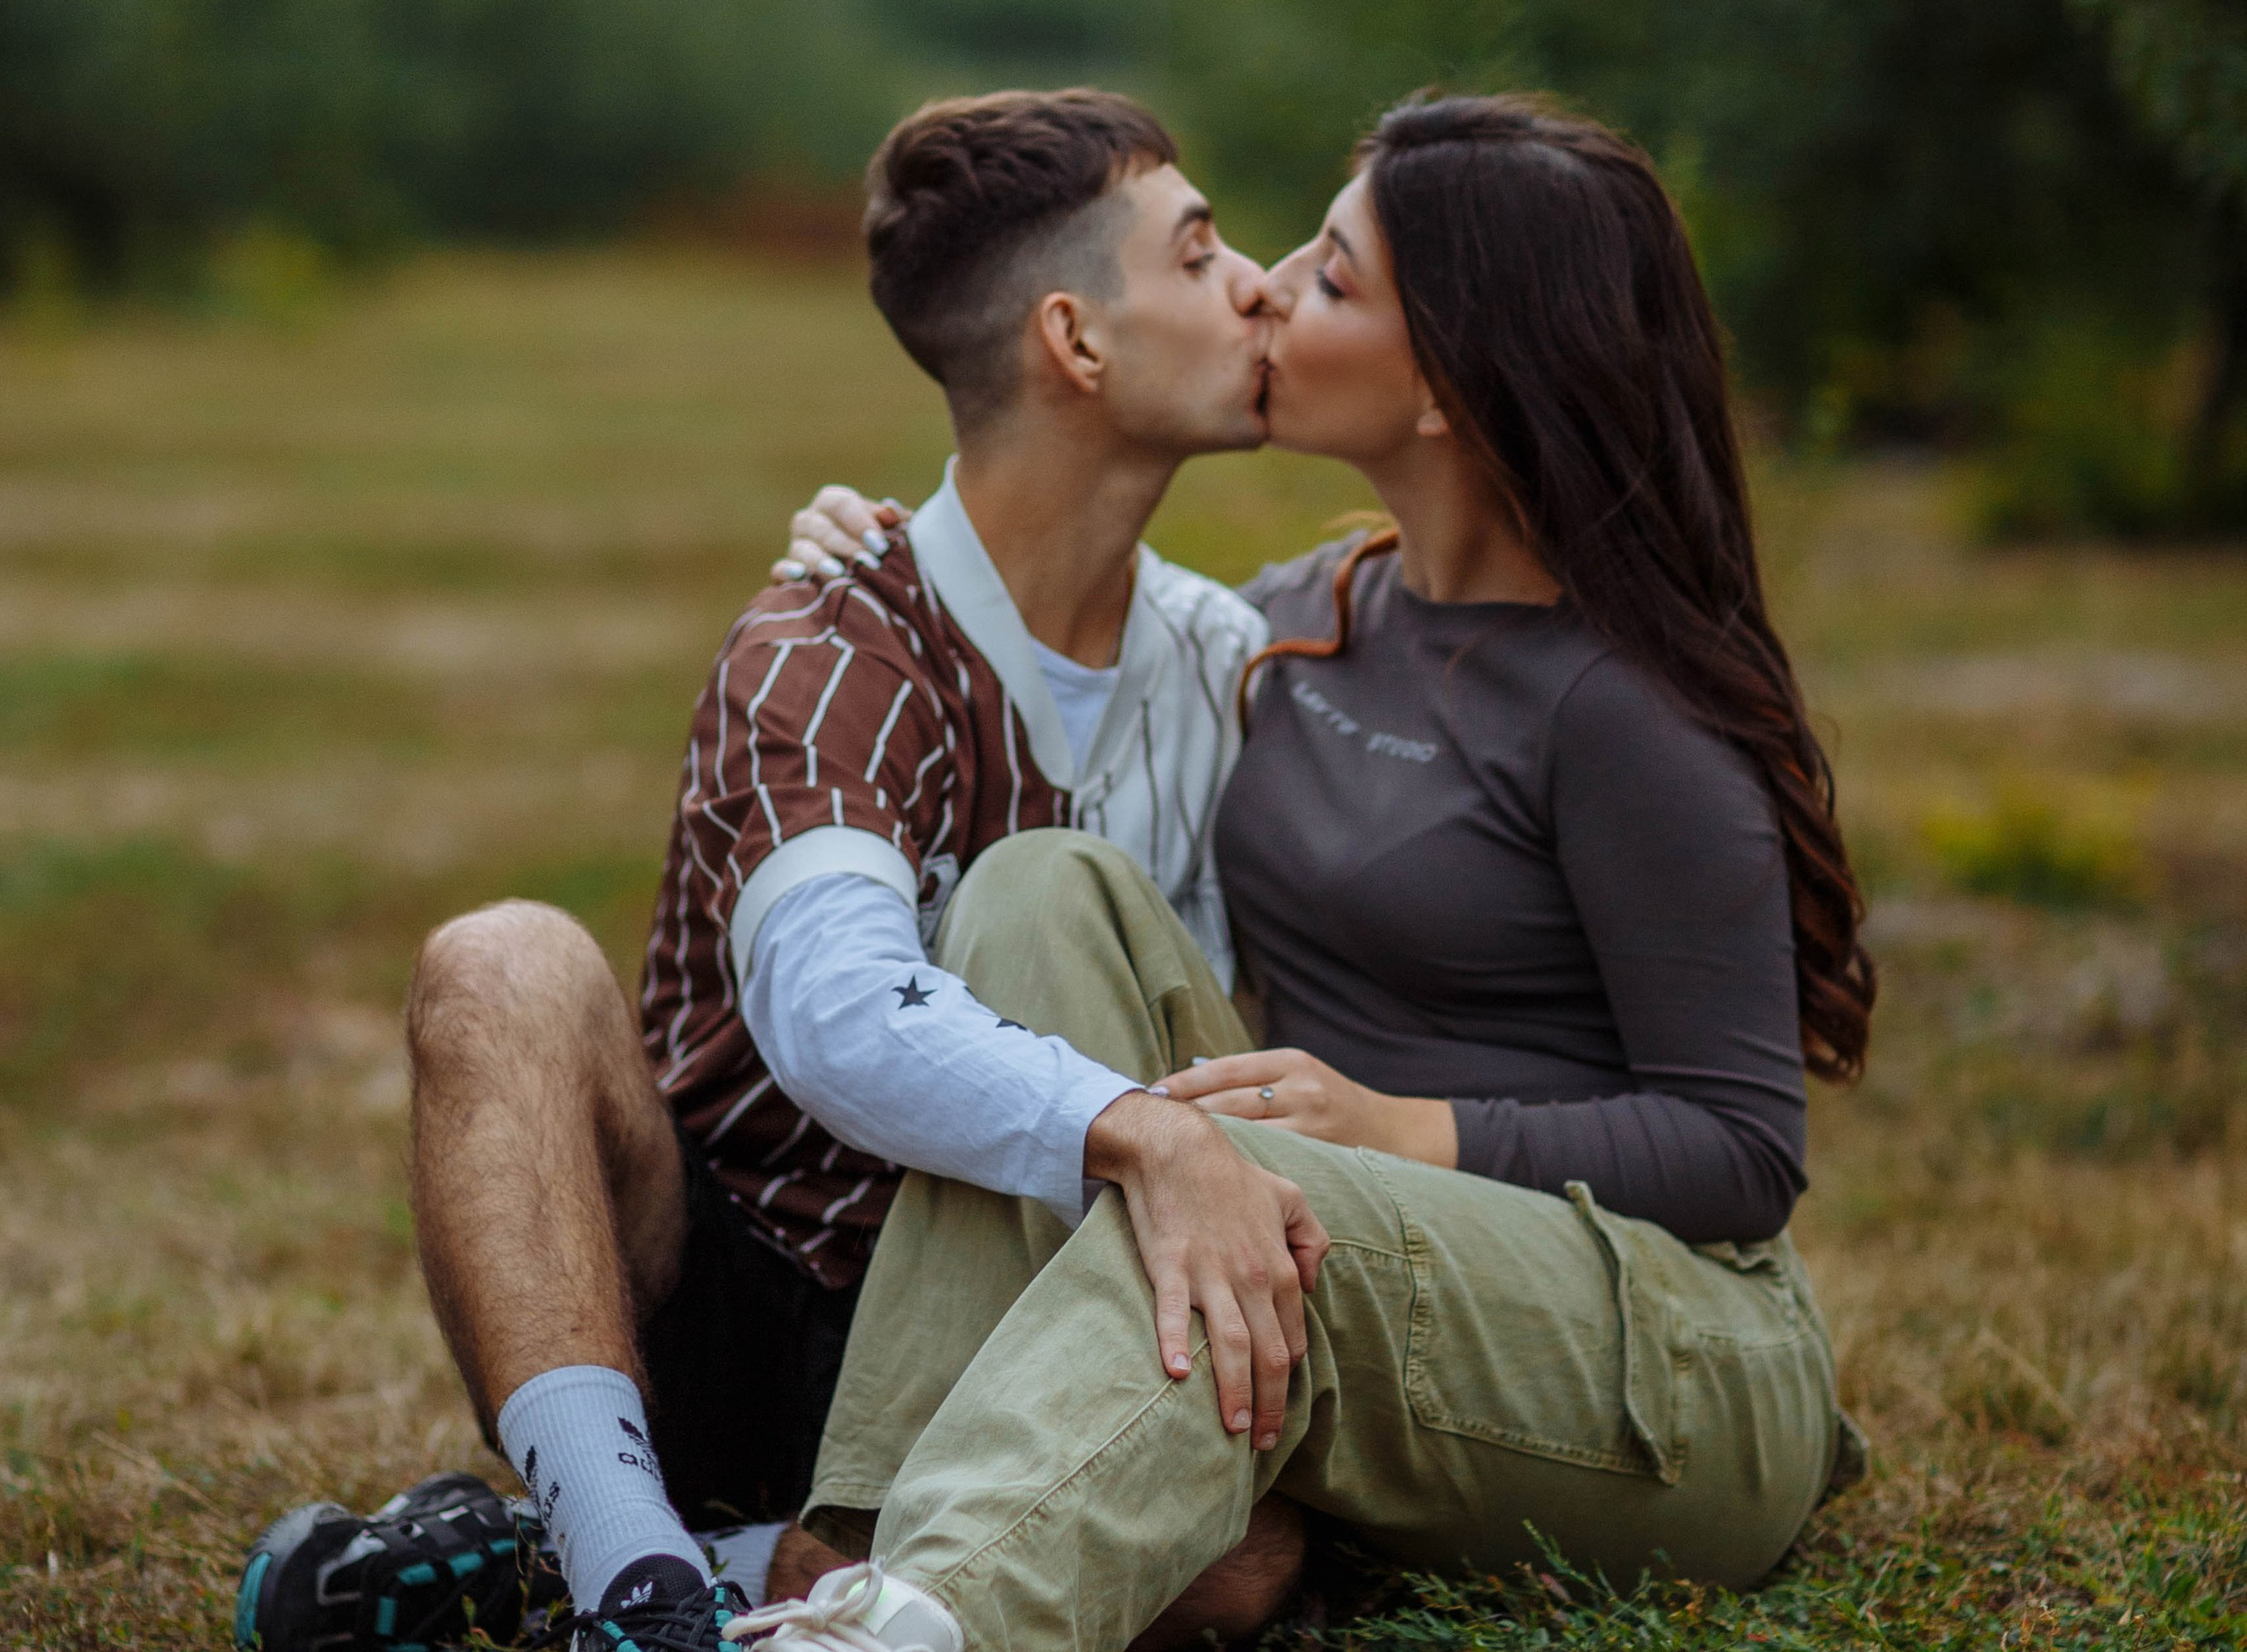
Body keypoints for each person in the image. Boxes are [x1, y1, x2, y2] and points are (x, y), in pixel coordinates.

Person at [731, 93, 1877, 1652]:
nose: (1267, 286)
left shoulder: (1625, 713)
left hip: (1662, 1348)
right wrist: (890, 553)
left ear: (1450, 385)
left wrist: (1406, 1130)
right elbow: (1075, 618)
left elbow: (1745, 1148)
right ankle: (847, 1562)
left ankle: (935, 1621)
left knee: (1261, 1205)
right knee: (1038, 889)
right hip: (1349, 1254)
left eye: (1333, 280)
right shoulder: (1314, 617)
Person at [233, 90, 1321, 1652]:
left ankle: (605, 1573)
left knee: (1242, 1573)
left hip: (1025, 1321)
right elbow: (834, 1007)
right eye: (1207, 252)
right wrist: (1132, 1131)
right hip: (748, 1289)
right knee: (504, 961)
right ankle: (637, 1580)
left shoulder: (1226, 665)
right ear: (1076, 343)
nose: (1261, 285)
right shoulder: (833, 638)